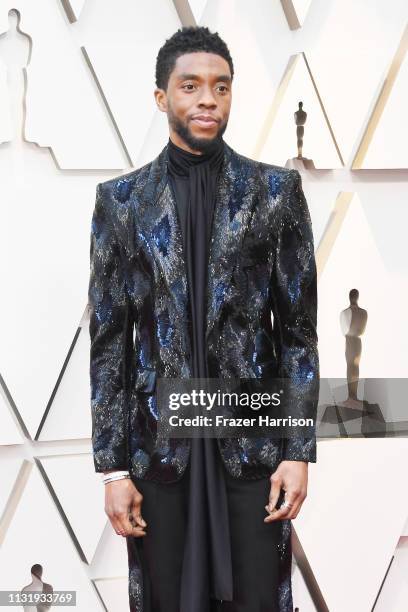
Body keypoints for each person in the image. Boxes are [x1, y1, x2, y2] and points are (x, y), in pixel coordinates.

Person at [88, 25, 319, 612]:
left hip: (252, 445)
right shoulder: (121, 202)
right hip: (159, 450)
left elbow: (297, 332)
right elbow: (110, 339)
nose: (207, 99)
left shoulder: (275, 192)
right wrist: (113, 469)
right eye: (190, 86)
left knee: (258, 599)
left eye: (220, 86)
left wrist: (297, 449)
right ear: (162, 97)